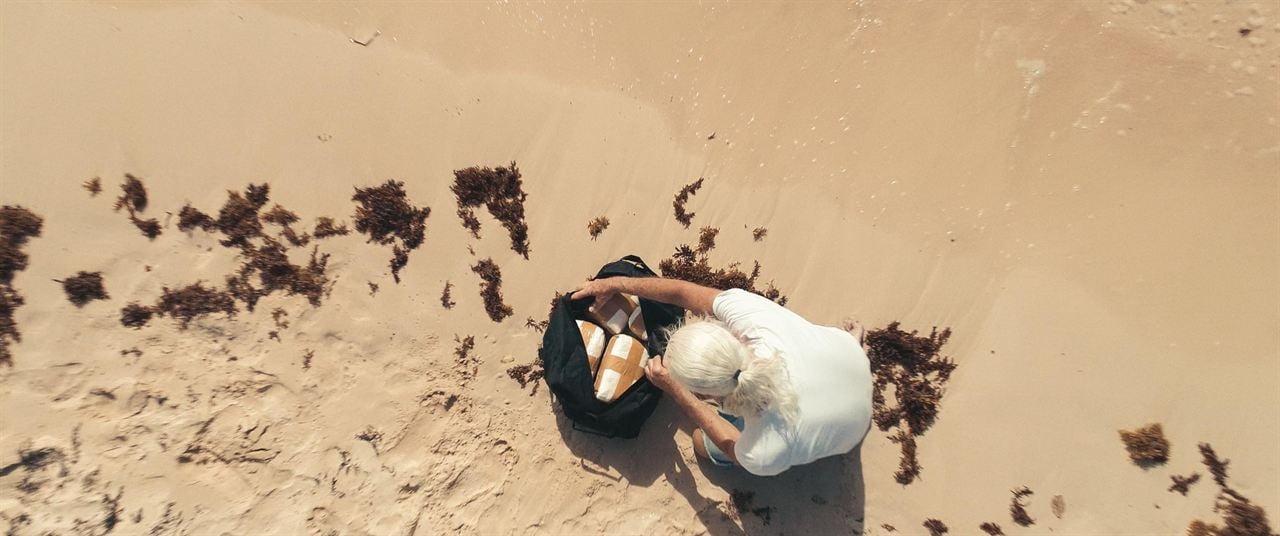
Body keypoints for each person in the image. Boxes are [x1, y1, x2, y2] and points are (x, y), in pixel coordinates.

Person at [572, 276, 872, 476]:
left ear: (706, 395)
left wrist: (675, 389)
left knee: (702, 443)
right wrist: (615, 283)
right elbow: (683, 292)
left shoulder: (763, 450)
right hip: (851, 361)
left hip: (849, 435)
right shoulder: (750, 314)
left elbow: (731, 446)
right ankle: (848, 348)